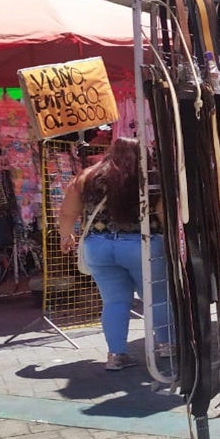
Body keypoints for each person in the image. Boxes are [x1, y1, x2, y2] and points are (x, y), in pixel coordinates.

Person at [59, 138, 171, 371]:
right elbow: (163, 215)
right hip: (142, 245)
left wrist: (66, 236)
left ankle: (116, 355)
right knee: (157, 297)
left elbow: (68, 212)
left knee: (114, 301)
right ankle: (167, 345)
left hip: (98, 247)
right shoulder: (151, 178)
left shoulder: (87, 176)